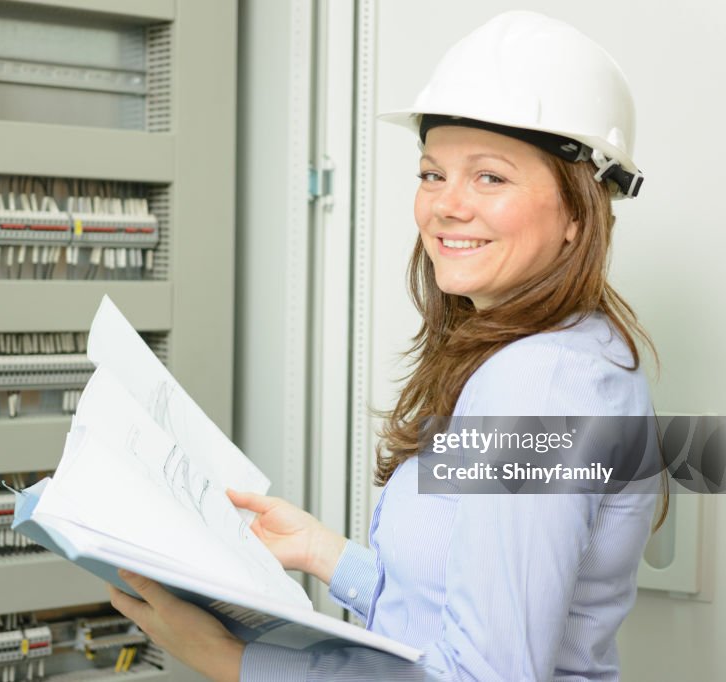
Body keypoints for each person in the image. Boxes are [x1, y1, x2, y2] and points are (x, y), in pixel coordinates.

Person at [108, 10, 666, 681]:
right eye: (432, 173)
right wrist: (323, 552)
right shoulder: (553, 355)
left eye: (490, 176)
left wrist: (234, 662)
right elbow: (452, 604)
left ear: (578, 210)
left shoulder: (537, 389)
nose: (446, 205)